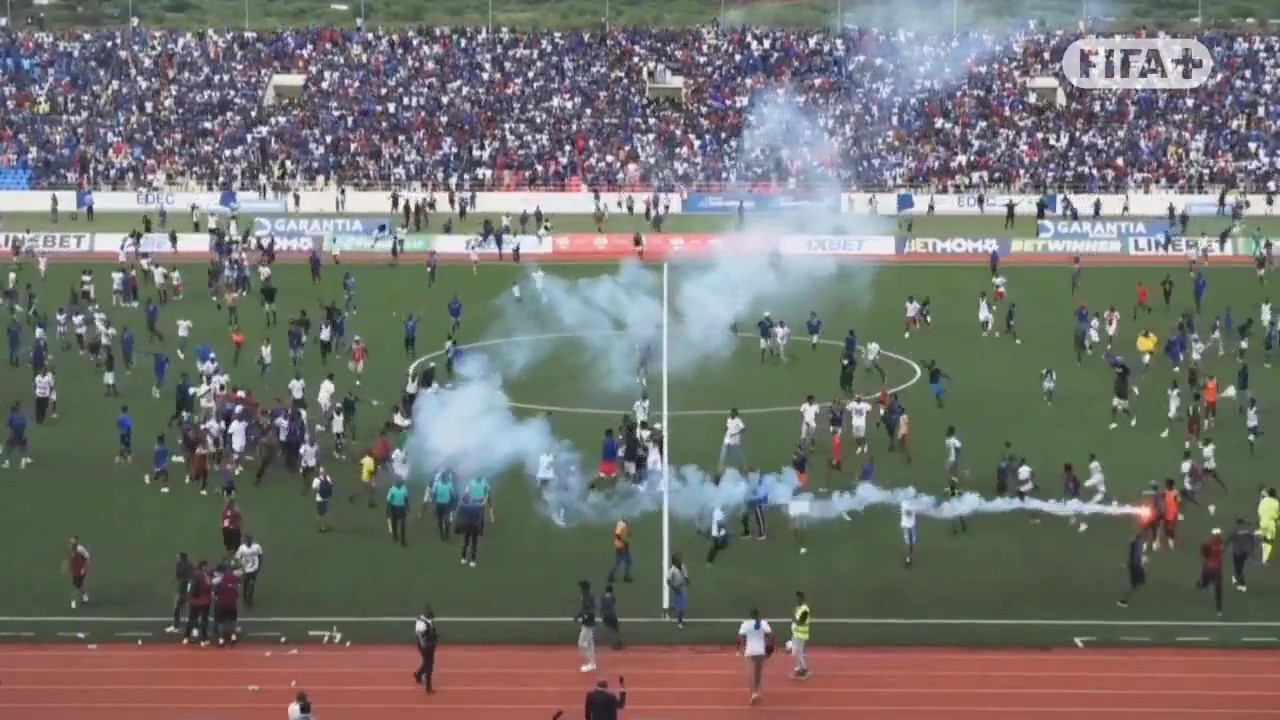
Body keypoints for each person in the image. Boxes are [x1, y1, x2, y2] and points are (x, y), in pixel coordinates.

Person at [736, 608, 774, 704]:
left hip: (750, 651)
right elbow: (770, 635)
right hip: (760, 650)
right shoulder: (763, 623)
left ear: (750, 615)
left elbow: (740, 637)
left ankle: (753, 693)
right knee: (758, 673)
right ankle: (756, 692)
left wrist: (741, 648)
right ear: (758, 614)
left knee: (751, 672)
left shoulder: (745, 624)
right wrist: (768, 645)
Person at [1198, 528, 1225, 616]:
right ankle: (1219, 610)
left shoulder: (1208, 543)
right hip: (1216, 569)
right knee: (1218, 590)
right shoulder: (1221, 543)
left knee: (1204, 581)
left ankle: (1202, 586)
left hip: (1208, 567)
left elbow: (1203, 552)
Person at [1227, 518, 1257, 592]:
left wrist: (1224, 547)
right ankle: (1238, 579)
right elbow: (1252, 538)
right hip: (1244, 552)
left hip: (1237, 552)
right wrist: (1252, 549)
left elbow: (1229, 539)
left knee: (1238, 568)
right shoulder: (1247, 531)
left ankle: (1242, 584)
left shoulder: (1235, 531)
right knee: (1239, 567)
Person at [413, 605, 438, 693]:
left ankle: (418, 675)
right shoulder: (424, 624)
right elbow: (423, 636)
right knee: (429, 666)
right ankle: (428, 687)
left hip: (423, 645)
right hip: (426, 646)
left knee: (427, 663)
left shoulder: (420, 620)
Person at [574, 580, 597, 673]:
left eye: (581, 587)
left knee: (582, 643)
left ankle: (592, 664)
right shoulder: (585, 596)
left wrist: (584, 615)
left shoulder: (588, 597)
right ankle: (592, 663)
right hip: (586, 623)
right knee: (589, 644)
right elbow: (583, 608)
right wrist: (578, 615)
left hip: (589, 624)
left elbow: (591, 610)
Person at [789, 591, 811, 679]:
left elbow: (801, 621)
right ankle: (801, 667)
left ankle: (803, 669)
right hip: (796, 633)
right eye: (797, 597)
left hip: (801, 634)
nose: (797, 599)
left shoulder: (805, 609)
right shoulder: (798, 608)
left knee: (798, 652)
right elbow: (795, 618)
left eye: (799, 598)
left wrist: (794, 621)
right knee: (797, 652)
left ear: (802, 598)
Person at [386, 477, 409, 546]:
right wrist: (388, 510)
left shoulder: (404, 488)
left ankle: (402, 540)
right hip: (394, 508)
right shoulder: (392, 490)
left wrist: (407, 507)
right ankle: (395, 536)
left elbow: (406, 498)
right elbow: (388, 501)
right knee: (394, 523)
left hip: (402, 508)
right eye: (399, 483)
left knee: (402, 524)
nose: (400, 484)